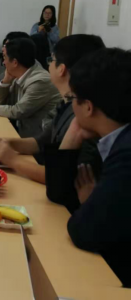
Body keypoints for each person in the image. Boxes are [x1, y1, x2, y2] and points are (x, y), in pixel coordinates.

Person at [48, 48, 131, 287]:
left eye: (73, 98)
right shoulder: (113, 139)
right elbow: (60, 195)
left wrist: (89, 204)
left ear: (88, 107)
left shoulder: (126, 156)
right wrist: (74, 134)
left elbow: (84, 231)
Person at [0, 35, 106, 184]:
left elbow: (61, 176)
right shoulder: (68, 103)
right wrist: (9, 143)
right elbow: (42, 142)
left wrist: (12, 160)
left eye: (52, 59)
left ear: (61, 69)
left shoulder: (84, 115)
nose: (48, 65)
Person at [0, 38, 60, 138]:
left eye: (5, 58)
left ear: (15, 62)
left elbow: (18, 111)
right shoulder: (19, 73)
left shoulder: (40, 81)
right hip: (21, 131)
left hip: (37, 140)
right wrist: (6, 81)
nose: (3, 62)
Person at [0, 32, 30, 96]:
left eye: (6, 46)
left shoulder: (36, 79)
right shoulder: (11, 67)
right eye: (4, 45)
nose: (3, 49)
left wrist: (2, 96)